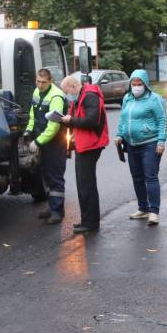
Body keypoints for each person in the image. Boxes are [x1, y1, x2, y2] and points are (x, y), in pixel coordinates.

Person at [115, 69, 167, 226]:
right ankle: (143, 208)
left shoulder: (155, 99)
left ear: (145, 84)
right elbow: (123, 119)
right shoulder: (127, 99)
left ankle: (154, 212)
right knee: (137, 177)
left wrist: (161, 141)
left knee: (150, 177)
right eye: (134, 83)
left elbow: (162, 120)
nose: (136, 87)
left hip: (150, 144)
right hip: (131, 145)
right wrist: (119, 134)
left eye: (139, 84)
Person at [60, 74, 110, 234]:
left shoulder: (90, 96)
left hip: (91, 145)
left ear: (73, 86)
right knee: (83, 184)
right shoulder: (82, 96)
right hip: (85, 145)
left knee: (87, 185)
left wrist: (71, 120)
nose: (67, 95)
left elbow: (91, 120)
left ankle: (91, 223)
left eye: (66, 91)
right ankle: (86, 220)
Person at [21, 69, 69, 224]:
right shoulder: (37, 92)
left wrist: (38, 142)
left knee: (55, 175)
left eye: (43, 82)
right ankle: (52, 206)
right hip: (43, 139)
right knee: (46, 175)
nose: (40, 85)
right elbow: (33, 115)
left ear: (50, 81)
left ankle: (57, 212)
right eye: (38, 81)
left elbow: (53, 126)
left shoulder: (56, 97)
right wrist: (29, 130)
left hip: (55, 142)